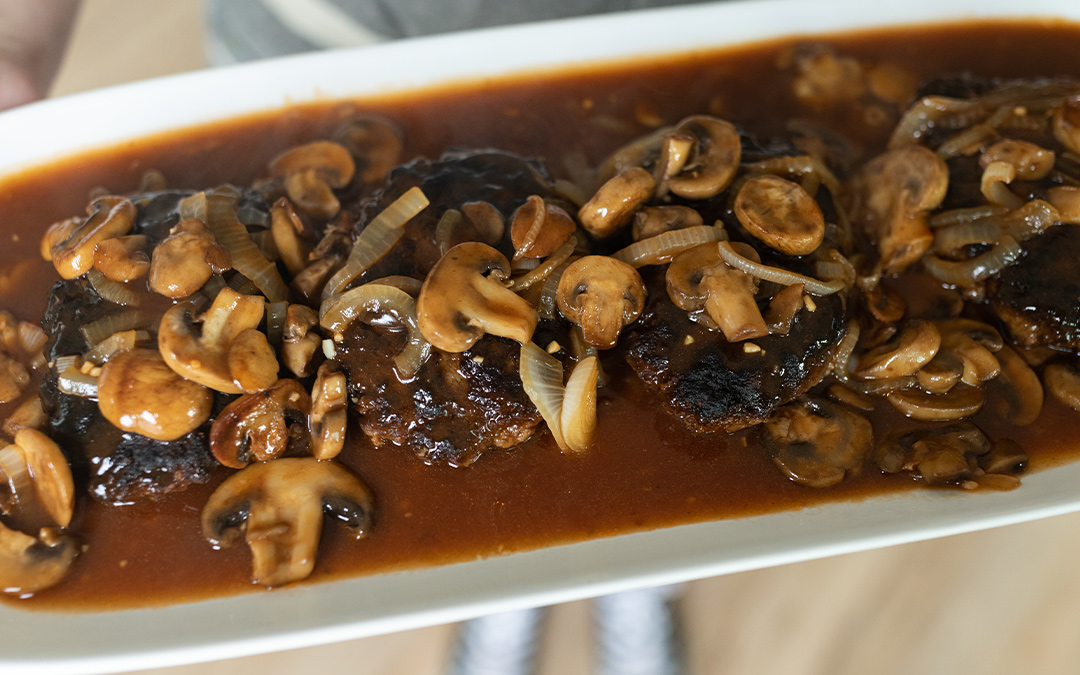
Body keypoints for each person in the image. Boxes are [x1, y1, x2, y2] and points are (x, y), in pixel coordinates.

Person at [0, 1, 709, 672]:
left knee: (631, 495)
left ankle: (638, 587)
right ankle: (507, 601)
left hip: (633, 23)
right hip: (305, 38)